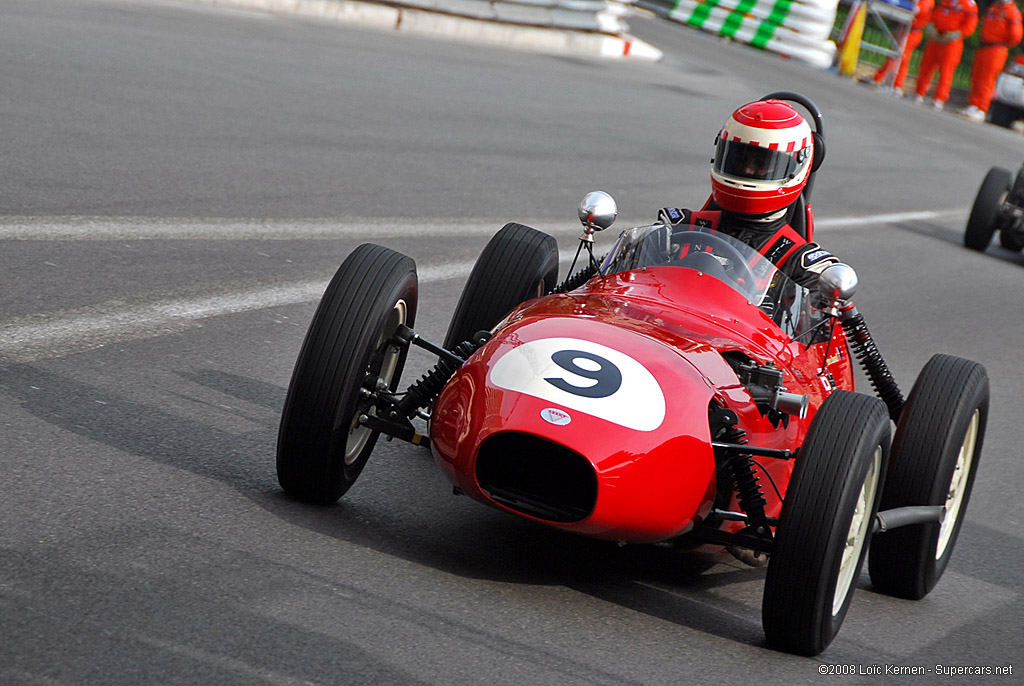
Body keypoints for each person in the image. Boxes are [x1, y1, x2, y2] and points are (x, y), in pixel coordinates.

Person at [657, 99, 839, 289]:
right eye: (739, 160)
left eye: (762, 164)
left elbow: (816, 314)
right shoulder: (677, 228)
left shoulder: (803, 266)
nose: (748, 170)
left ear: (797, 167)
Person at [960, 0, 1023, 122]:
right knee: (977, 75)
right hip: (985, 45)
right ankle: (973, 104)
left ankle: (982, 108)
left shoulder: (1012, 12)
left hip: (997, 48)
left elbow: (1015, 36)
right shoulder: (994, 7)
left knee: (987, 79)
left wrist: (1002, 43)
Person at [912, 0, 979, 110]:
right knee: (926, 66)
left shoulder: (969, 5)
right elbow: (935, 15)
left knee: (946, 71)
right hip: (936, 37)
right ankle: (919, 92)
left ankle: (939, 98)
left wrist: (955, 35)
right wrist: (932, 29)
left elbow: (970, 25)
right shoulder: (946, 1)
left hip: (952, 42)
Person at [871, 0, 935, 94]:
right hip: (907, 29)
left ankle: (885, 81)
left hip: (913, 31)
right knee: (902, 58)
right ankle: (896, 84)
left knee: (897, 57)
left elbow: (917, 10)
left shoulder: (927, 1)